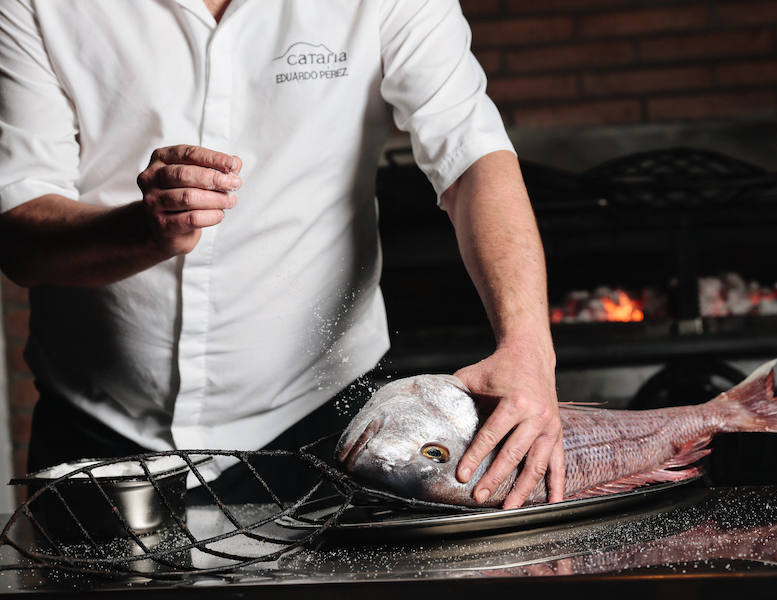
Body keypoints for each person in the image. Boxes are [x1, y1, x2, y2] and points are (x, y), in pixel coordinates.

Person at [0, 0, 562, 509]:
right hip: (99, 438)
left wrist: (528, 347)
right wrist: (141, 232)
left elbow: (471, 158)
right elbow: (18, 236)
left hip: (325, 425)